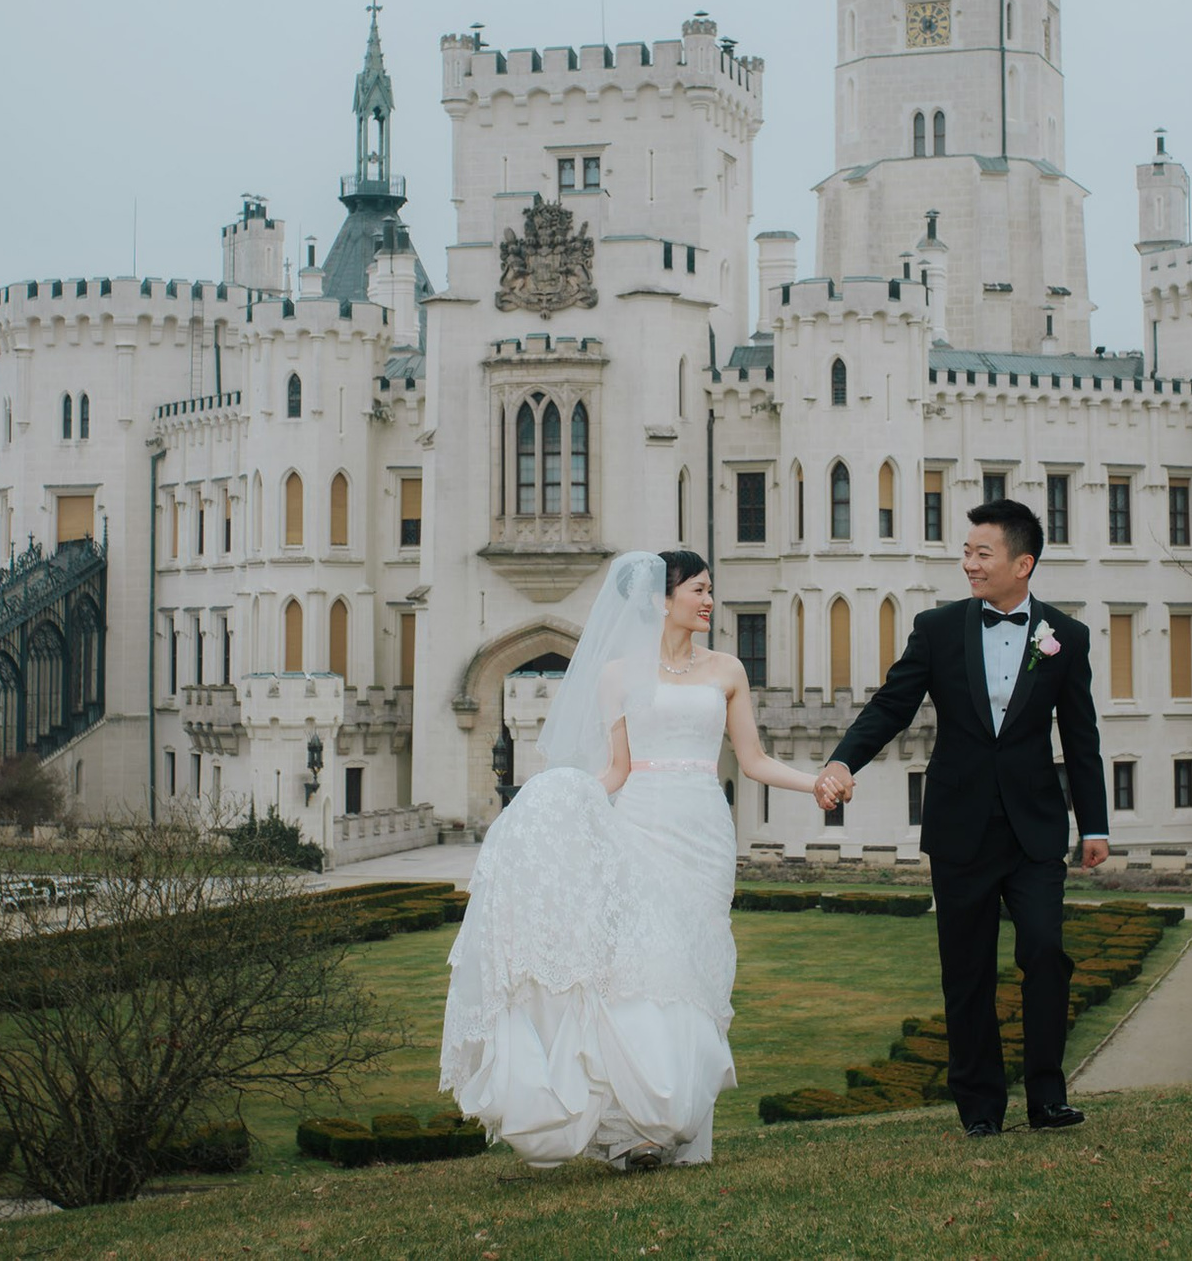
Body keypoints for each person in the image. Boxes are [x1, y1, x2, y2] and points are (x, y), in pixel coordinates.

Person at [440, 550, 825, 1169]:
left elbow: (751, 760)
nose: (707, 601)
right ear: (659, 599)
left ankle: (679, 1120)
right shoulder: (617, 675)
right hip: (640, 825)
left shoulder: (727, 670)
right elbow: (617, 770)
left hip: (703, 830)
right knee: (645, 968)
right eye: (697, 590)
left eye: (709, 590)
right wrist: (555, 804)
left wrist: (817, 784)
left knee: (696, 969)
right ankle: (644, 1125)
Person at [815, 499, 1108, 1140]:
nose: (968, 564)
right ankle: (979, 1109)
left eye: (982, 553)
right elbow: (892, 704)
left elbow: (1081, 737)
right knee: (967, 970)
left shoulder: (1066, 637)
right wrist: (842, 763)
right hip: (959, 828)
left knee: (1045, 953)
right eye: (967, 552)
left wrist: (1095, 825)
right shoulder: (937, 628)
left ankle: (1048, 1098)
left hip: (1034, 829)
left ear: (1022, 563)